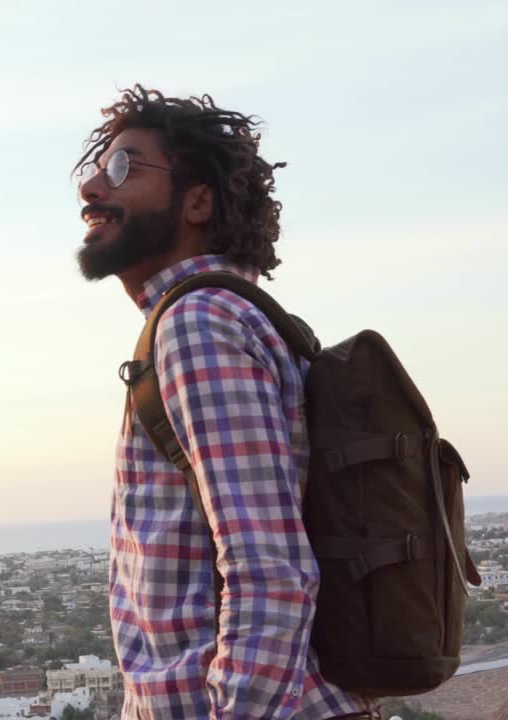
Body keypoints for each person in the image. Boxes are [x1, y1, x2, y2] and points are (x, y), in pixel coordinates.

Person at [74, 85, 374, 719]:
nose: (91, 188)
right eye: (96, 168)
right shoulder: (244, 318)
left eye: (123, 167)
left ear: (197, 201)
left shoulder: (198, 324)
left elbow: (270, 572)